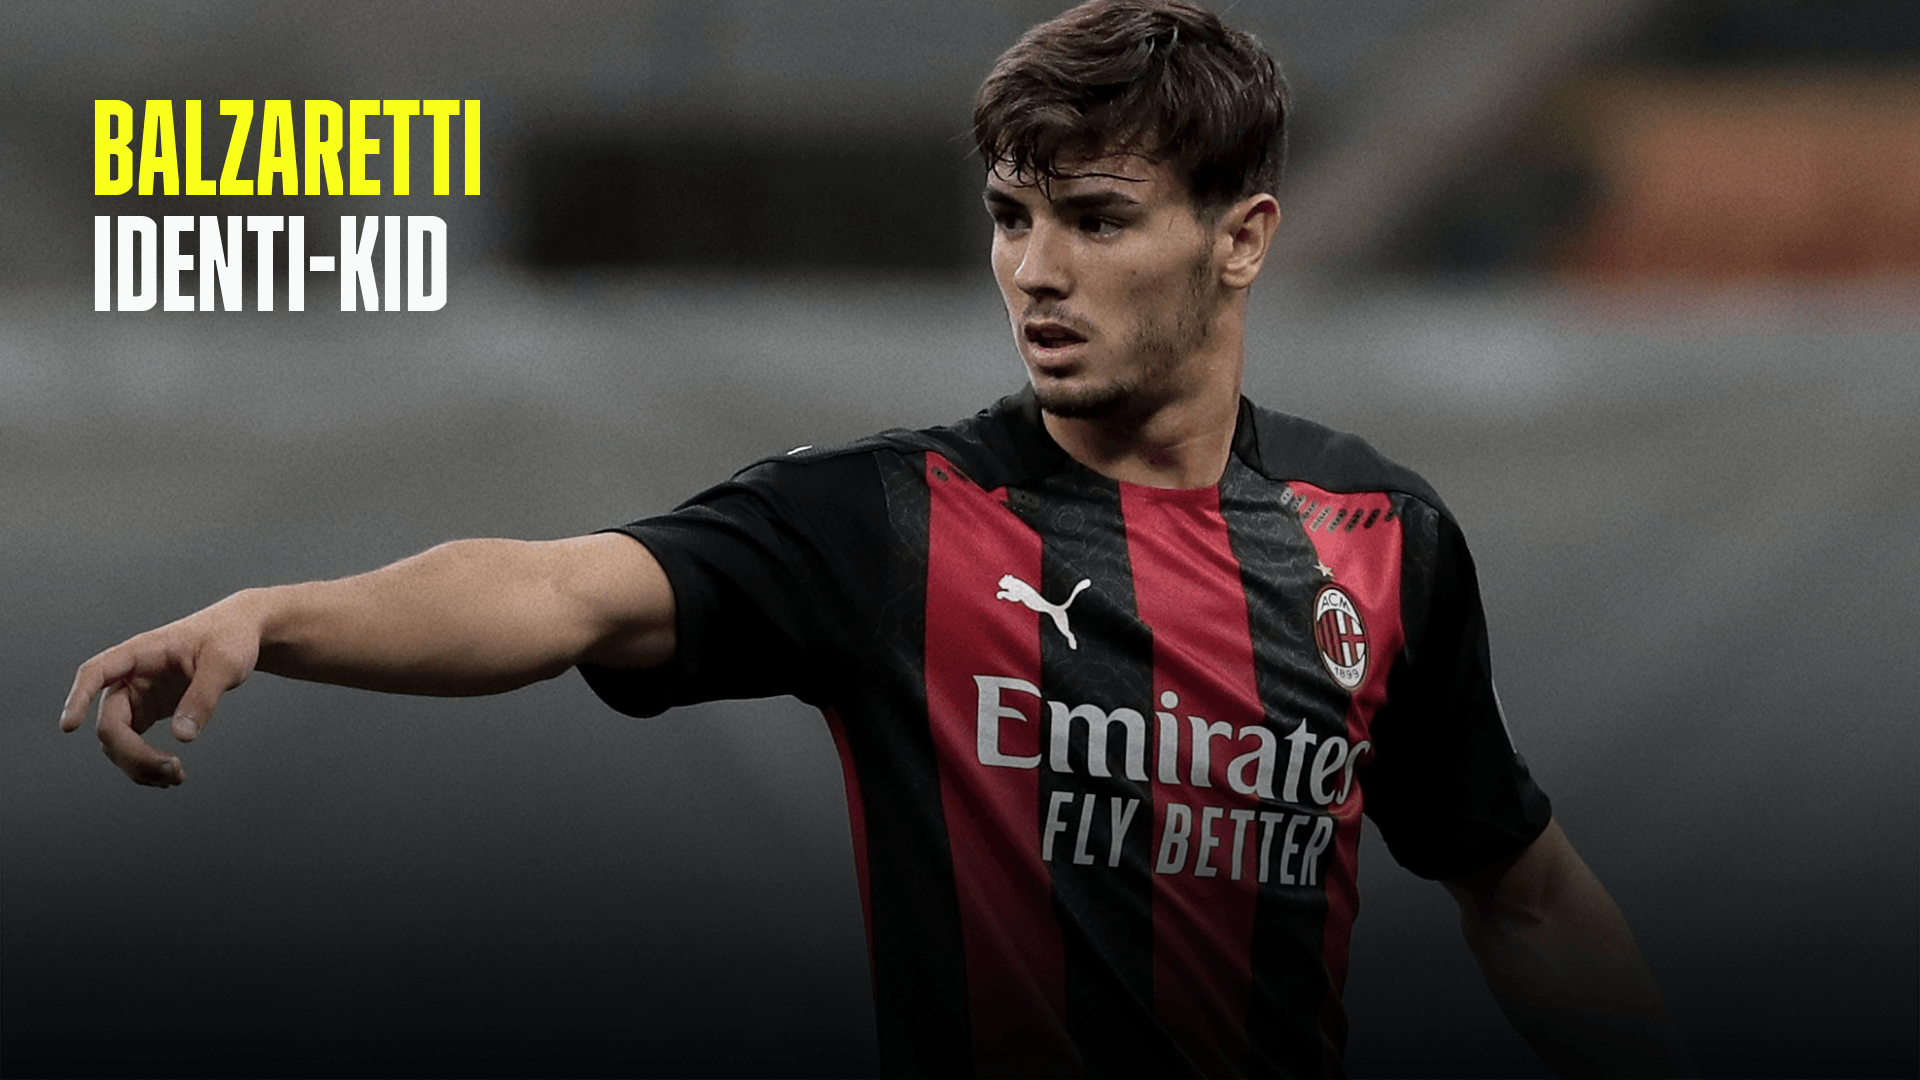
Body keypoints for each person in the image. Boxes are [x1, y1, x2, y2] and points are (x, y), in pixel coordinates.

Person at [60, 2, 1693, 1076]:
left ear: (1243, 237)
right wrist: (277, 615)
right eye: (1011, 216)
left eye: (1098, 219)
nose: (1036, 270)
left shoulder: (1380, 540)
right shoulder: (891, 522)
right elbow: (558, 590)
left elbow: (1525, 897)